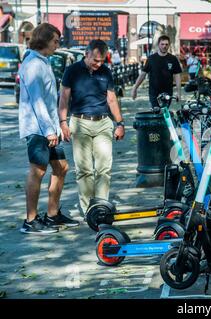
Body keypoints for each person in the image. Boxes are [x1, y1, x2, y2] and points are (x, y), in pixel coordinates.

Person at [18, 23, 79, 234]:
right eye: (55, 40)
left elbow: (48, 99)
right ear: (44, 40)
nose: (58, 44)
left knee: (61, 167)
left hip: (48, 127)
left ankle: (52, 215)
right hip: (37, 128)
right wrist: (49, 130)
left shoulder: (43, 62)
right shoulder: (33, 64)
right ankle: (30, 221)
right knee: (38, 171)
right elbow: (37, 101)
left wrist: (57, 126)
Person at [58, 39, 125, 215]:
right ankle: (89, 209)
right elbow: (64, 98)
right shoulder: (72, 71)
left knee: (104, 168)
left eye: (102, 60)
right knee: (84, 169)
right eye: (95, 60)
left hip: (103, 122)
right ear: (86, 54)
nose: (98, 64)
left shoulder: (106, 72)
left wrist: (120, 123)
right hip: (79, 123)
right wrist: (63, 122)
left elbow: (111, 99)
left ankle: (101, 206)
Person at [131, 35, 182, 109]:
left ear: (169, 45)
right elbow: (143, 74)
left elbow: (177, 76)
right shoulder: (151, 59)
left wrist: (179, 93)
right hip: (154, 92)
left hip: (167, 92)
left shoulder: (173, 59)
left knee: (165, 112)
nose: (164, 46)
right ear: (158, 45)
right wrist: (135, 88)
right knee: (156, 111)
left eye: (166, 44)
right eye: (162, 44)